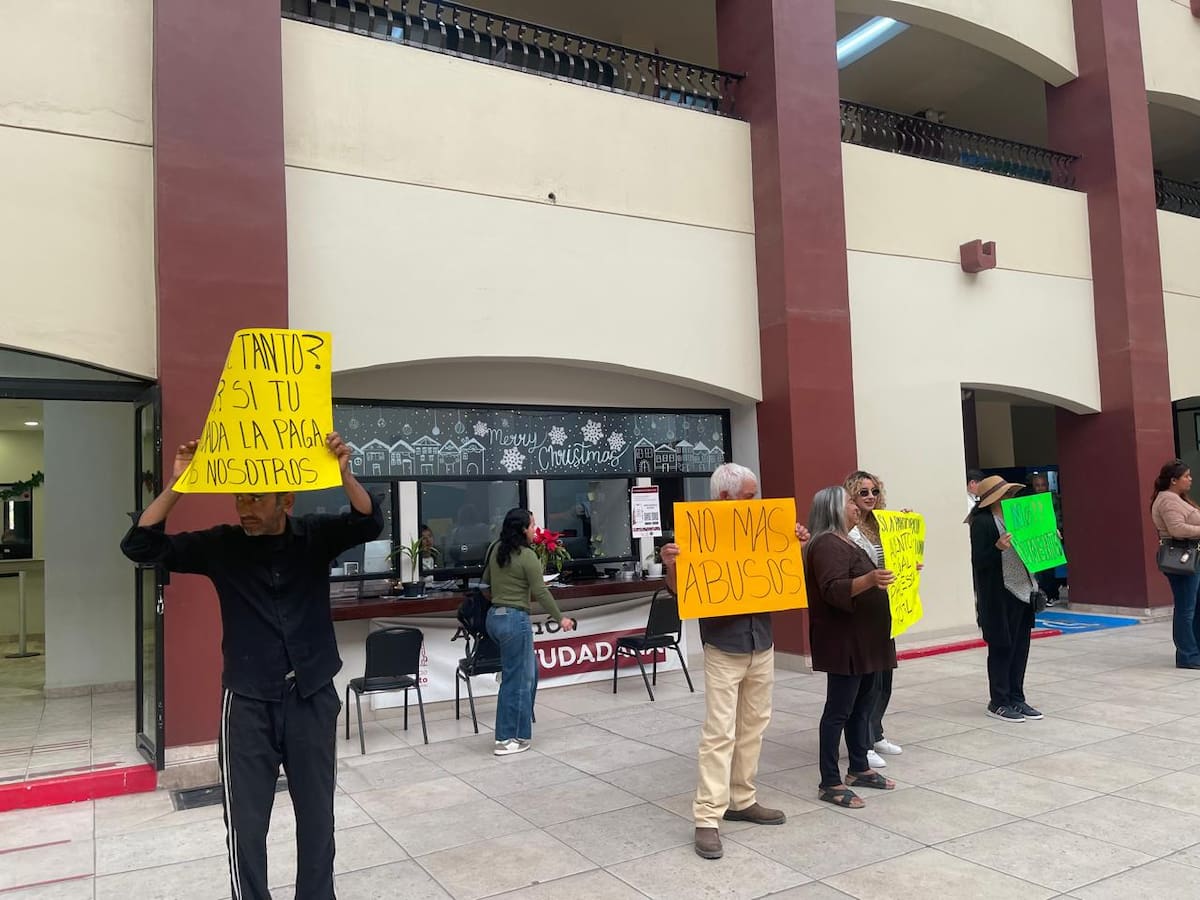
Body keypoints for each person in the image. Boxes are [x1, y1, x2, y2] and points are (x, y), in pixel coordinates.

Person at [120, 433, 383, 900]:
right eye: (239, 496)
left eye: (256, 497)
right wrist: (180, 483)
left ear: (286, 499)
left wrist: (343, 473)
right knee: (245, 825)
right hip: (247, 704)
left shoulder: (315, 538)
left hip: (311, 696)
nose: (244, 506)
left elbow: (368, 521)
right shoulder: (221, 546)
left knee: (318, 818)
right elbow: (139, 545)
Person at [660, 462, 809, 861]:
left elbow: (783, 571)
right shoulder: (698, 531)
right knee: (719, 732)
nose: (756, 501)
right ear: (724, 496)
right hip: (724, 647)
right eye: (749, 495)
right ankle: (707, 817)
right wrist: (671, 563)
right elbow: (678, 592)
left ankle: (742, 799)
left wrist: (794, 543)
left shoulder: (763, 528)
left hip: (762, 642)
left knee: (754, 725)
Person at [804, 485, 897, 809]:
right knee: (839, 710)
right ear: (832, 509)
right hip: (844, 640)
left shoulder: (849, 541)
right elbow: (833, 589)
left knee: (863, 705)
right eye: (849, 503)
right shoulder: (826, 545)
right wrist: (870, 581)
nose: (857, 507)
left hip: (867, 639)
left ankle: (859, 767)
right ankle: (829, 780)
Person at [483, 508, 576, 756]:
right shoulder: (528, 556)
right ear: (523, 529)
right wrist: (561, 618)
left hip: (495, 618)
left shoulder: (495, 549)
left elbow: (486, 584)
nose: (536, 529)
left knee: (529, 673)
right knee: (517, 682)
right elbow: (541, 592)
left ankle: (517, 725)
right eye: (533, 525)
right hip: (515, 621)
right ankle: (508, 738)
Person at [969, 474, 1043, 723]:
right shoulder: (983, 522)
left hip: (1024, 591)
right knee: (1002, 647)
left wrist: (1048, 538)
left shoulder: (1019, 517)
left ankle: (1016, 697)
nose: (1010, 496)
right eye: (1006, 493)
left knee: (1021, 648)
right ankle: (999, 701)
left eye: (1010, 492)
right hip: (1000, 594)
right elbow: (979, 561)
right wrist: (997, 547)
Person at [844, 470, 901, 771]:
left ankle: (875, 732)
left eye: (874, 492)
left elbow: (893, 563)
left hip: (887, 610)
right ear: (851, 496)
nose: (870, 497)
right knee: (867, 683)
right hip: (864, 611)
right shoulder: (850, 532)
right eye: (863, 492)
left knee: (884, 679)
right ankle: (861, 743)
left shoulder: (885, 525)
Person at [1149, 460, 1200, 669]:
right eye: (1186, 476)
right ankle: (1187, 655)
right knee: (1186, 608)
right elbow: (1177, 529)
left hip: (1191, 556)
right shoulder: (1168, 500)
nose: (1190, 479)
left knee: (1194, 606)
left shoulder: (1175, 498)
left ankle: (1194, 650)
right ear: (1173, 480)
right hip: (1181, 557)